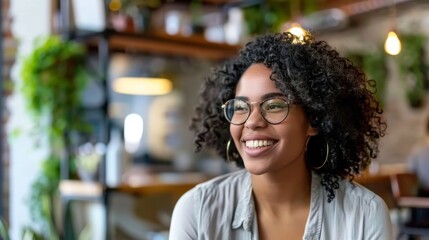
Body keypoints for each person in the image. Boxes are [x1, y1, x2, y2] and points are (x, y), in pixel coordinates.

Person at [169, 32, 392, 239]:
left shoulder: (365, 215)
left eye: (274, 105)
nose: (253, 121)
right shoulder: (197, 211)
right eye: (240, 107)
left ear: (314, 120)